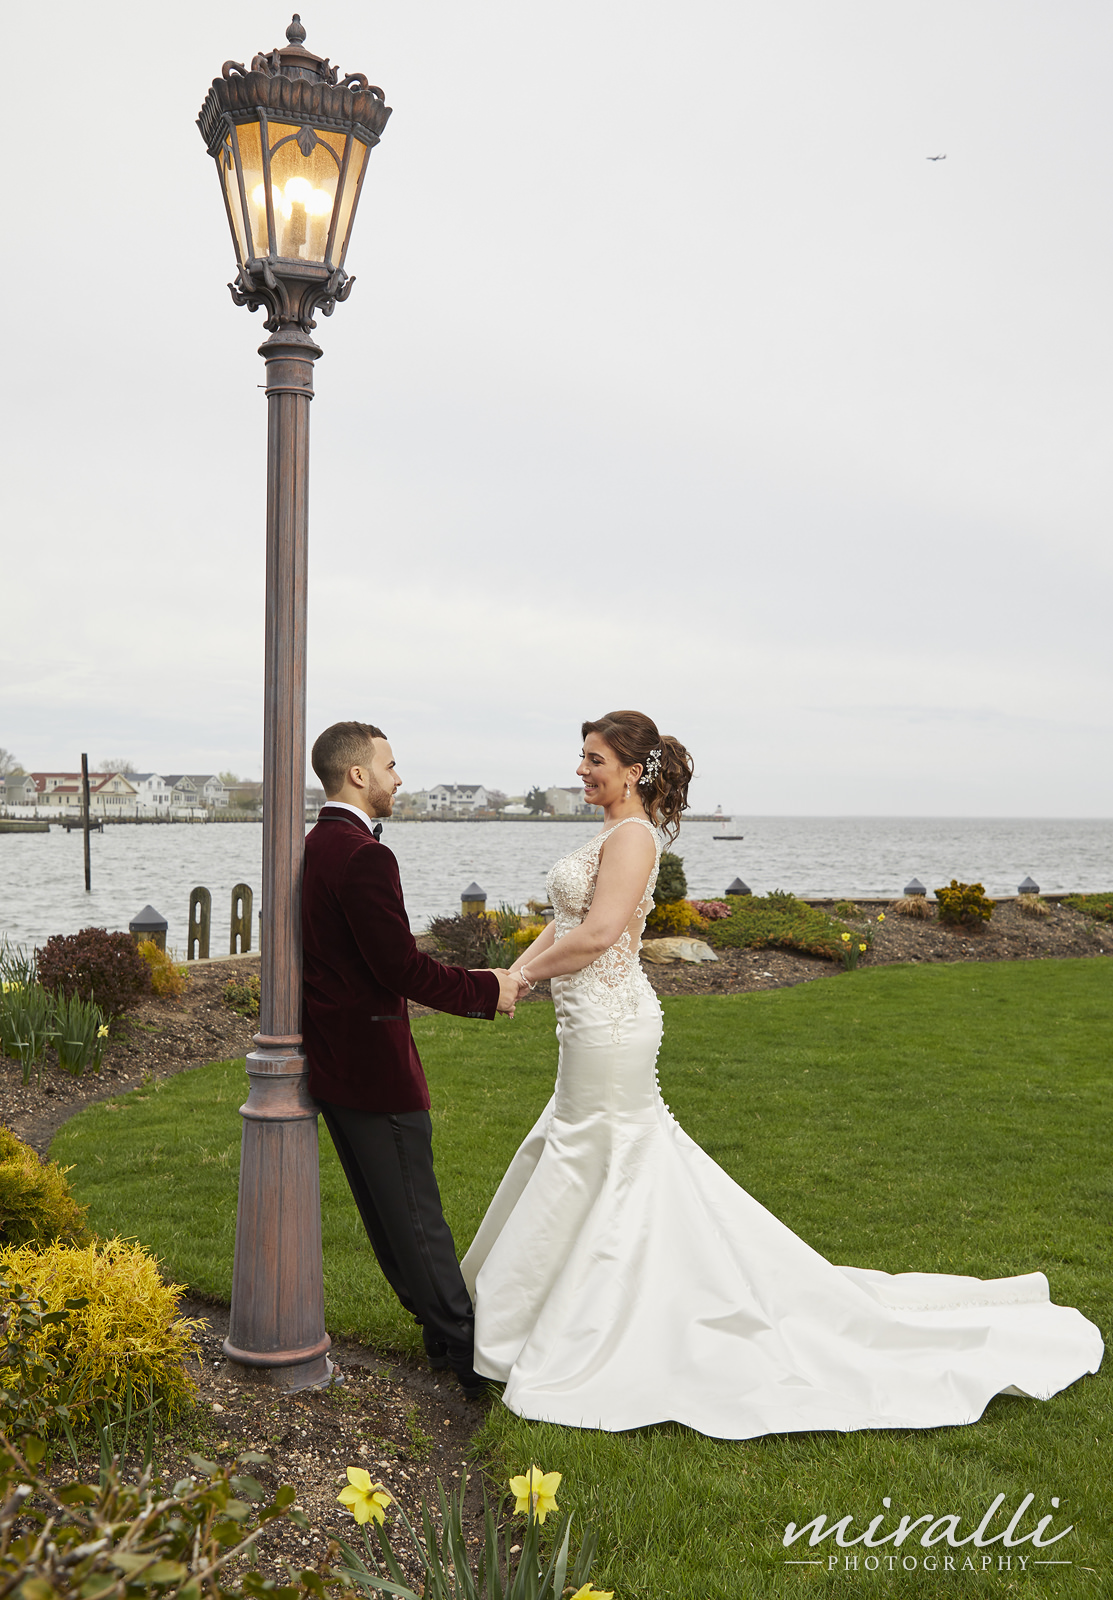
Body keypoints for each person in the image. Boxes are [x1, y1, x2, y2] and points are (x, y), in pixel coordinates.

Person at [461, 709, 1104, 1437]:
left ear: (634, 770)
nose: (580, 770)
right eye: (580, 757)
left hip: (613, 1025)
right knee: (589, 1148)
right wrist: (510, 974)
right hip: (586, 1022)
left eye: (593, 759)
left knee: (603, 1152)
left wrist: (517, 981)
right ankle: (545, 1309)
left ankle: (602, 1322)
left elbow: (603, 933)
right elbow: (566, 917)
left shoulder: (634, 837)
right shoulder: (610, 835)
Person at [302, 720, 525, 1400]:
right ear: (358, 775)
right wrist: (489, 988)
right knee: (415, 1222)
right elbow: (398, 966)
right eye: (391, 766)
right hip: (371, 1065)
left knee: (389, 1220)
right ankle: (466, 1357)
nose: (400, 778)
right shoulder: (363, 855)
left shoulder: (318, 843)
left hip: (338, 1063)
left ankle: (438, 1339)